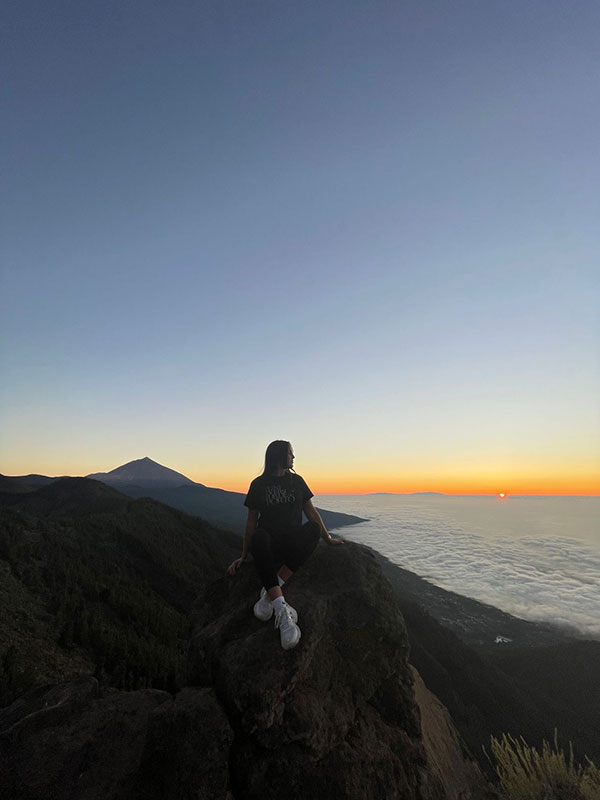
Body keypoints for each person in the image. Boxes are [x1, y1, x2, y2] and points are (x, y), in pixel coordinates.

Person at [227, 440, 343, 650]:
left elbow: (311, 513)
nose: (293, 457)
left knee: (313, 530)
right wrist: (244, 556)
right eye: (290, 453)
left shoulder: (297, 481)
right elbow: (251, 522)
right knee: (259, 536)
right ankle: (281, 609)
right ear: (280, 456)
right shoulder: (258, 485)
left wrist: (327, 538)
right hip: (269, 545)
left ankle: (270, 593)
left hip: (291, 541)